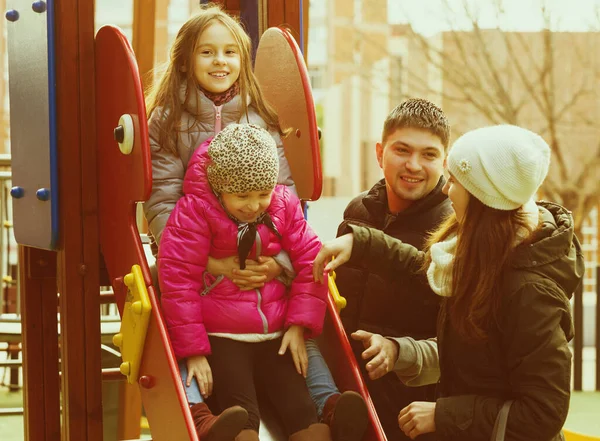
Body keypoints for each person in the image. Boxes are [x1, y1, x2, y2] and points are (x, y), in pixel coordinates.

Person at [144, 5, 368, 441]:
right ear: (187, 58)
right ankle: (202, 409)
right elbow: (163, 196)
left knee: (296, 318)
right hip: (195, 249)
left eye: (230, 52)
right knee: (171, 301)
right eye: (207, 52)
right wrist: (211, 259)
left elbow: (282, 198)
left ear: (242, 60)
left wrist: (277, 262)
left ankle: (328, 403)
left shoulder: (259, 114)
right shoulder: (168, 119)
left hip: (264, 252)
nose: (220, 61)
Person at [314, 124, 584, 441]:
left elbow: (543, 413)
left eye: (455, 182)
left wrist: (443, 415)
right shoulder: (490, 250)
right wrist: (361, 244)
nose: (445, 190)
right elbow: (428, 273)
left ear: (484, 199)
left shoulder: (530, 292)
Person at [159, 123, 331, 441]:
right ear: (218, 187)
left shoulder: (283, 204)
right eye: (242, 196)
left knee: (301, 411)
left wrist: (298, 326)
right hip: (223, 335)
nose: (254, 206)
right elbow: (177, 279)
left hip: (276, 331)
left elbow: (313, 261)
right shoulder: (196, 211)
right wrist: (194, 351)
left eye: (263, 194)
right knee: (242, 413)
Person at [334, 99, 451, 440]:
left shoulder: (452, 228)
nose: (413, 165)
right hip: (351, 396)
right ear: (380, 152)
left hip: (414, 413)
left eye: (428, 154)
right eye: (402, 150)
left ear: (444, 161)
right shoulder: (357, 211)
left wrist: (397, 350)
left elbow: (465, 342)